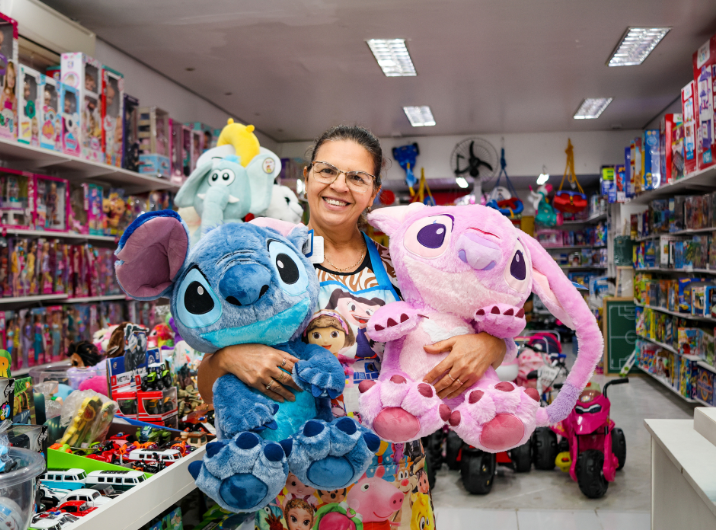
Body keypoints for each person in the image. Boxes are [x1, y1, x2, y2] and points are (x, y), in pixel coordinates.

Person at [197, 125, 510, 529]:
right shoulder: (262, 262)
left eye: (357, 177)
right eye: (327, 171)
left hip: (392, 463)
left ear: (374, 191)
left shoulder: (405, 264)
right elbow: (206, 386)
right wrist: (228, 357)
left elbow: (475, 322)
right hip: (296, 471)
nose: (339, 186)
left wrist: (489, 345)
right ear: (307, 176)